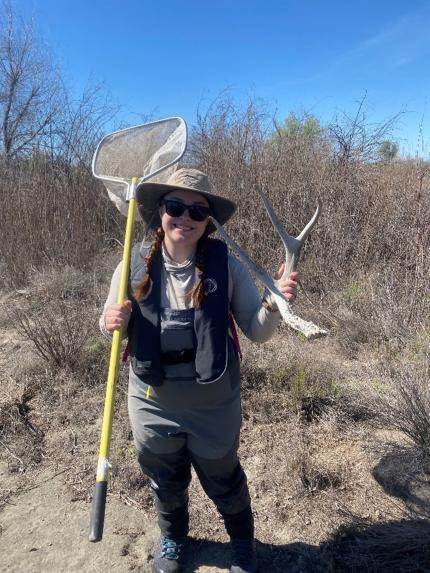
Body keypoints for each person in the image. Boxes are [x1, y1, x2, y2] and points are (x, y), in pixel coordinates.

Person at [100, 168, 298, 573]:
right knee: (166, 480)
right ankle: (173, 538)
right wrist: (108, 321)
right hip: (152, 403)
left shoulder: (228, 268)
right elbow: (110, 328)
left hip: (214, 403)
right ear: (160, 212)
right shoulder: (131, 263)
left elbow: (256, 332)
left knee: (223, 478)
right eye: (175, 206)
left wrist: (275, 304)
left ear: (208, 221)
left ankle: (242, 543)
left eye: (197, 210)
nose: (185, 217)